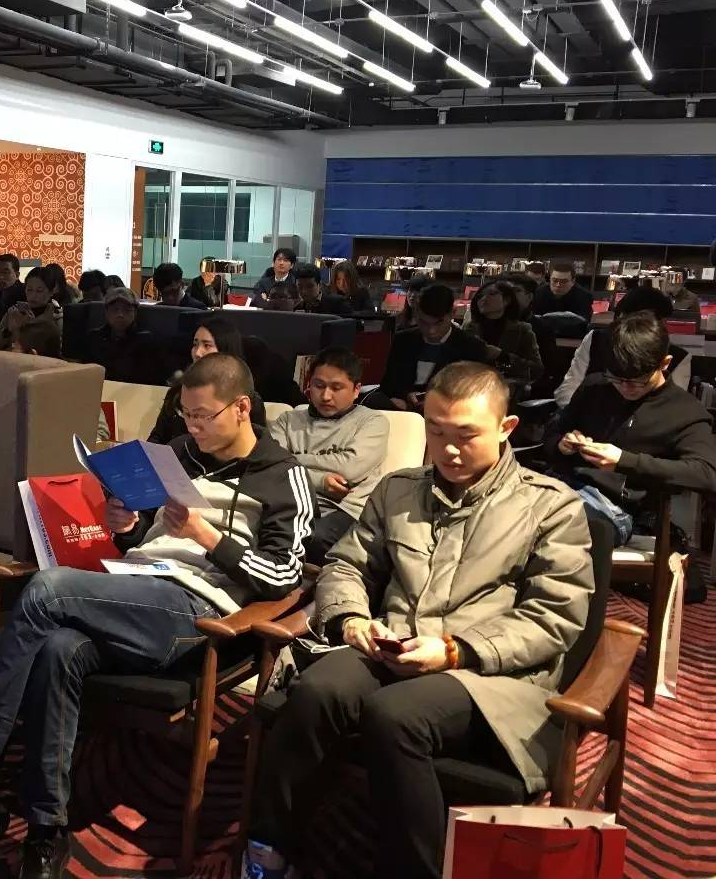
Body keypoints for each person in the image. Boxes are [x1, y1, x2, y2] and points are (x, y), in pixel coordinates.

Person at [0, 354, 312, 879]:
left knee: (46, 589)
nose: (192, 427)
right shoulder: (179, 454)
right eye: (186, 415)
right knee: (58, 650)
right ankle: (46, 831)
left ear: (242, 408)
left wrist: (208, 537)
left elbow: (284, 576)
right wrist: (127, 524)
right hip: (134, 585)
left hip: (196, 608)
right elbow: (146, 538)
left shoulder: (283, 475)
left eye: (203, 416)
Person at [246, 362, 594, 879]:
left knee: (396, 714)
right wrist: (351, 619)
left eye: (466, 435)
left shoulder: (549, 507)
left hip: (490, 676)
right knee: (319, 689)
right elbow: (346, 564)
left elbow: (554, 616)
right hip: (394, 644)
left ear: (506, 428)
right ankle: (269, 846)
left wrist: (455, 649)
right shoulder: (398, 490)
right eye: (436, 431)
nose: (449, 450)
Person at [545, 310, 716, 547]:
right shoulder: (596, 387)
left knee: (552, 526)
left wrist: (624, 461)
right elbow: (552, 433)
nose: (625, 388)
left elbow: (706, 474)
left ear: (665, 363)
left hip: (615, 509)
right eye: (617, 378)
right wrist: (562, 444)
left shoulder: (684, 411)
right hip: (559, 485)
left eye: (637, 380)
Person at [270, 349, 389, 565]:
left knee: (309, 538)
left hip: (343, 510)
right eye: (319, 385)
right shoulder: (287, 420)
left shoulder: (372, 422)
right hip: (289, 502)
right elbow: (270, 465)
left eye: (336, 388)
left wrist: (292, 458)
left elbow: (349, 470)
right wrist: (321, 481)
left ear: (356, 390)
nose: (325, 396)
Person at [555, 285, 691, 407]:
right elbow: (568, 390)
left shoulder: (678, 357)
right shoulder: (596, 340)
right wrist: (578, 415)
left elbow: (673, 406)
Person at [148, 315, 266, 444]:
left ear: (224, 350)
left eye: (207, 345)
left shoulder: (249, 400)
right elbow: (157, 437)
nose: (197, 353)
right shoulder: (178, 391)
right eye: (195, 344)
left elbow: (256, 444)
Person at [379, 284, 492, 411]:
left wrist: (437, 400)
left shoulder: (472, 347)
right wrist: (405, 395)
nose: (431, 331)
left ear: (452, 313)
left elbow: (475, 392)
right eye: (424, 322)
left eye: (439, 323)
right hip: (403, 410)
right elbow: (388, 384)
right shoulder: (403, 340)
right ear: (416, 313)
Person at [462, 280, 544, 385]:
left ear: (506, 300)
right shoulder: (469, 328)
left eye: (491, 294)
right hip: (472, 385)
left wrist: (502, 356)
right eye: (480, 296)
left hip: (506, 388)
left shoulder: (522, 330)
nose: (484, 299)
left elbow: (536, 370)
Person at [81, 287, 158, 385]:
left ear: (135, 312)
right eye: (115, 309)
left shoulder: (146, 340)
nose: (120, 315)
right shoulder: (94, 338)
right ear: (106, 312)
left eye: (127, 310)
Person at [504, 273, 560, 397]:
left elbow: (546, 371)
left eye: (516, 291)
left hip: (526, 389)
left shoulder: (541, 329)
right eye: (505, 291)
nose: (509, 296)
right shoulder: (493, 321)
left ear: (529, 297)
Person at [0, 267, 63, 351]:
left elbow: (58, 350)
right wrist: (8, 330)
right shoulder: (15, 311)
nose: (33, 295)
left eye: (39, 291)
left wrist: (26, 328)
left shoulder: (57, 316)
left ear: (51, 292)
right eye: (29, 290)